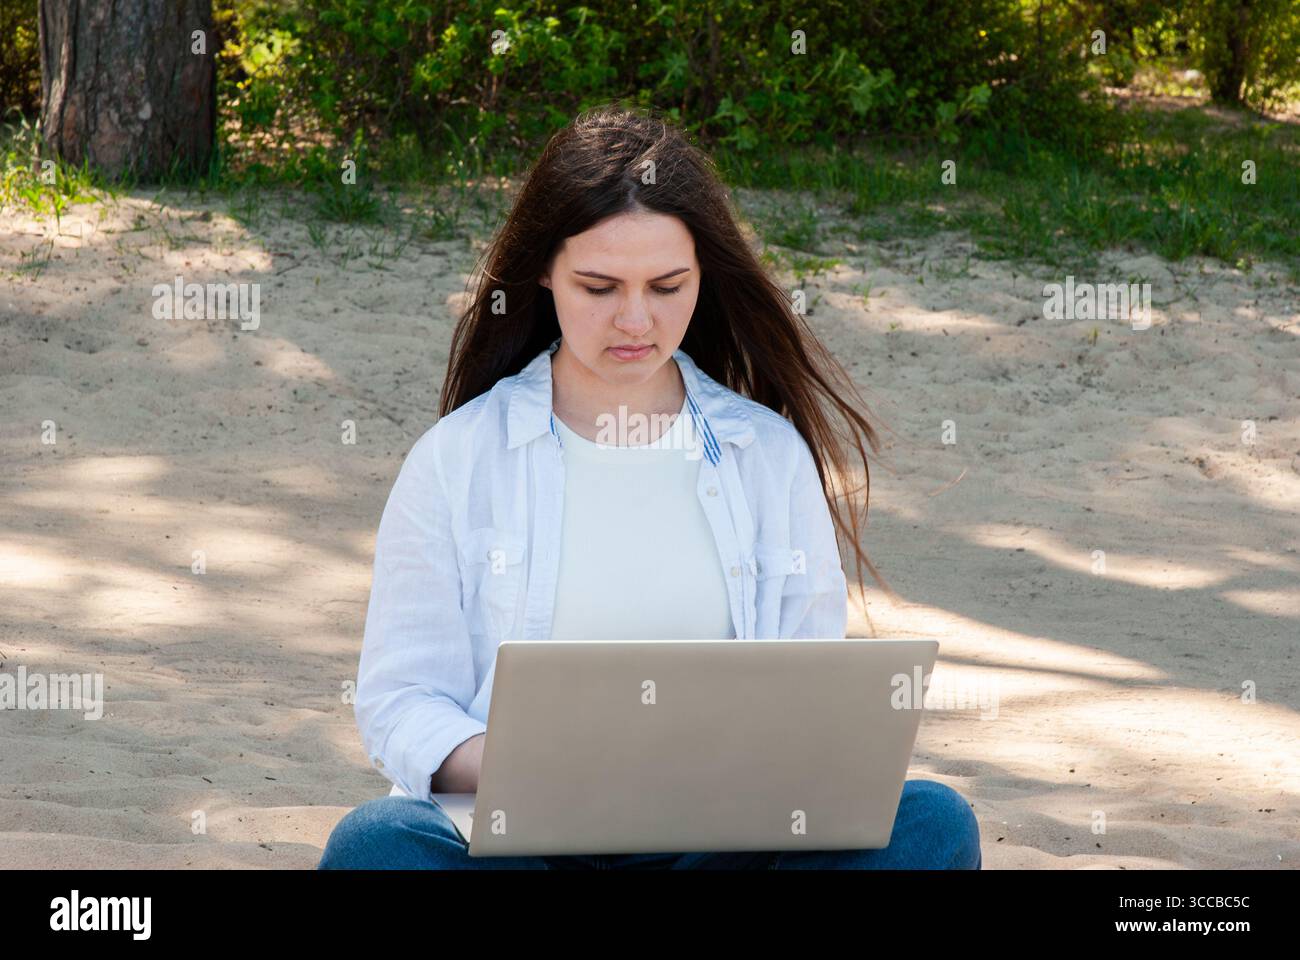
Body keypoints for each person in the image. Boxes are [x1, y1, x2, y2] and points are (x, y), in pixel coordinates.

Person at [318, 104, 981, 870]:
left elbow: (809, 692)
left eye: (667, 286)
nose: (635, 321)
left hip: (722, 845)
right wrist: (522, 774)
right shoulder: (458, 458)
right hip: (522, 846)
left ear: (705, 272)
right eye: (598, 287)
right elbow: (401, 701)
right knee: (376, 846)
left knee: (931, 820)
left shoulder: (764, 454)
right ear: (543, 270)